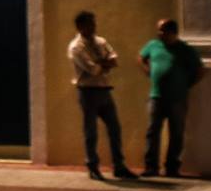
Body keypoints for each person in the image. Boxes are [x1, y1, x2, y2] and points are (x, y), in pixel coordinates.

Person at [68, 10, 135, 180]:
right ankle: (92, 166)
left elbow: (114, 59)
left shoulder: (101, 41)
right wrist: (104, 64)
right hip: (88, 92)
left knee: (115, 128)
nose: (94, 27)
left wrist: (102, 63)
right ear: (80, 26)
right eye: (90, 24)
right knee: (91, 131)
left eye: (94, 23)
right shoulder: (76, 47)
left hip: (104, 90)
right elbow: (93, 69)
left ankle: (119, 166)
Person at [137, 19, 202, 177]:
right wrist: (148, 71)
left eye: (162, 31)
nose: (159, 33)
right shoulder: (153, 45)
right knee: (153, 131)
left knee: (176, 132)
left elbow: (199, 69)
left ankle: (172, 167)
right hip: (156, 96)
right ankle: (151, 166)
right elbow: (140, 57)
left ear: (172, 32)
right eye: (159, 30)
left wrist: (187, 84)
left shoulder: (185, 49)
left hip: (177, 98)